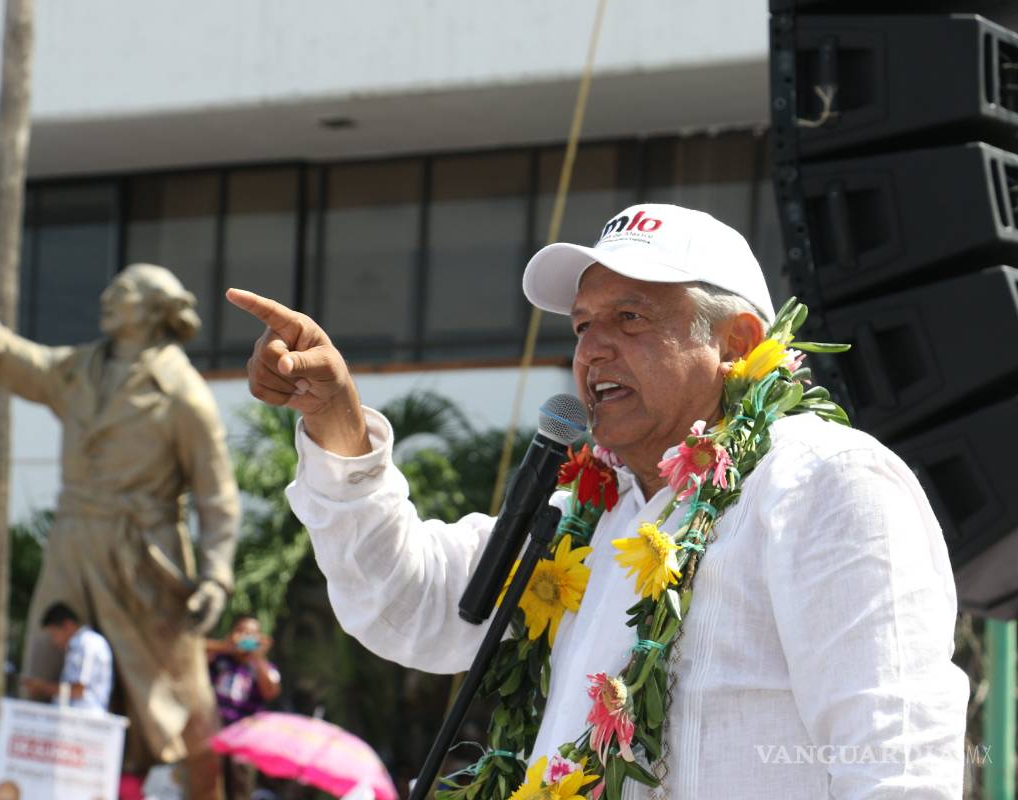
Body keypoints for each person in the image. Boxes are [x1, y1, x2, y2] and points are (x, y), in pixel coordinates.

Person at [227, 203, 968, 798]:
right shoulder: (582, 512)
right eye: (583, 325)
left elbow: (897, 764)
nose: (592, 350)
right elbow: (408, 603)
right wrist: (337, 425)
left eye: (631, 318)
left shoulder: (825, 485)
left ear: (738, 343)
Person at [0, 191, 240, 798]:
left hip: (146, 559)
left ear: (152, 310)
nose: (106, 300)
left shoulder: (184, 395)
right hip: (74, 546)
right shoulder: (74, 371)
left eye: (121, 292)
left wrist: (217, 575)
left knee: (166, 710)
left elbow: (218, 497)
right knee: (45, 677)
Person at [207, 616, 281, 800]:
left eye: (251, 633)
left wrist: (259, 657)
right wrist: (225, 646)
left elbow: (270, 691)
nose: (245, 637)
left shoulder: (262, 667)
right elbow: (192, 648)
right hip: (213, 733)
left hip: (243, 740)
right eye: (241, 631)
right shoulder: (218, 658)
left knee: (240, 788)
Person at [22, 603, 114, 712]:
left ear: (67, 625)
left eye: (54, 635)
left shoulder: (86, 644)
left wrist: (42, 688)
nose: (54, 642)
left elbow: (78, 691)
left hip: (84, 721)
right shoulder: (78, 646)